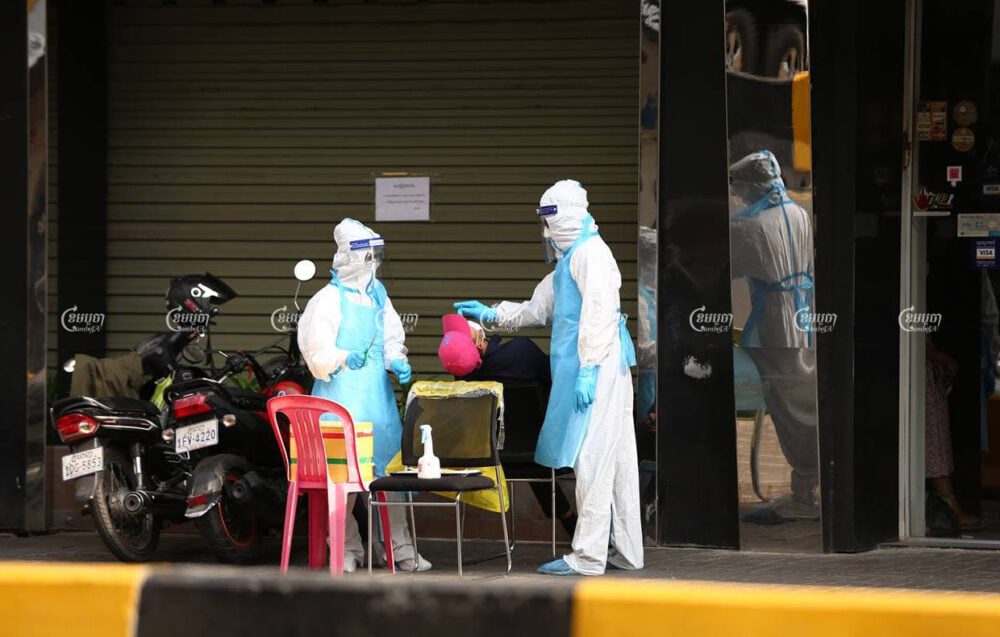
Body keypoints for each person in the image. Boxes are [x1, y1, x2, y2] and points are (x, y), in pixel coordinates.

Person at [454, 179, 643, 576]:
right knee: (616, 459)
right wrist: (489, 313)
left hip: (599, 369)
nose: (545, 231)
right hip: (590, 369)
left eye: (548, 220)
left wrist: (589, 370)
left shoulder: (592, 255)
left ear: (567, 217)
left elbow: (597, 317)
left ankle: (589, 557)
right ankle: (625, 550)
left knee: (594, 459)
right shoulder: (569, 261)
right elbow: (535, 310)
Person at [297, 218, 430, 572]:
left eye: (376, 255)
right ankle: (346, 549)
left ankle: (399, 549)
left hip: (377, 402)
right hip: (339, 401)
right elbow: (315, 353)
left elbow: (391, 336)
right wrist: (340, 358)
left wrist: (397, 360)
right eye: (367, 255)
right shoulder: (325, 300)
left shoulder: (379, 297)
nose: (372, 263)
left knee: (391, 478)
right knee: (343, 481)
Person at [728, 150, 820, 524]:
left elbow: (718, 266)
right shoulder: (798, 213)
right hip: (803, 317)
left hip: (775, 325)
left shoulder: (750, 227)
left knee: (788, 407)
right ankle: (808, 486)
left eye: (739, 188)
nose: (738, 196)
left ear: (750, 187)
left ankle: (803, 492)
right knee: (804, 399)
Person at [437, 314, 577, 535]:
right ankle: (573, 524)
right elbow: (554, 382)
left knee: (522, 446)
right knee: (535, 456)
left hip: (491, 456)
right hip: (540, 452)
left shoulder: (467, 379)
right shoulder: (521, 351)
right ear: (479, 343)